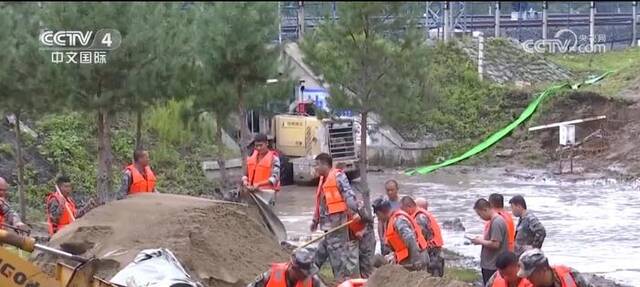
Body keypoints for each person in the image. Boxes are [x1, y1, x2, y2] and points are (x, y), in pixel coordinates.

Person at [311, 153, 361, 283]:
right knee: (322, 251)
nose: (315, 168)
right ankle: (310, 275)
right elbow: (321, 202)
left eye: (317, 165)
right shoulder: (323, 179)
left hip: (338, 224)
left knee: (337, 254)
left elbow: (348, 194)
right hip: (328, 225)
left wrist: (355, 212)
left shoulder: (338, 176)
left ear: (324, 164)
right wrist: (315, 220)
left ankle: (341, 281)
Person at [372, 197, 429, 271]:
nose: (378, 218)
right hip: (409, 259)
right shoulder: (392, 220)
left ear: (380, 213)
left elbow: (410, 239)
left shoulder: (398, 220)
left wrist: (416, 261)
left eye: (377, 215)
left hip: (417, 259)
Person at [401, 196, 444, 277]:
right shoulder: (423, 215)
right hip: (436, 254)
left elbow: (419, 240)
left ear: (410, 206)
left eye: (404, 210)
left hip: (432, 256)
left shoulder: (419, 218)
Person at [471, 198, 509, 285]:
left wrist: (480, 241)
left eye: (480, 214)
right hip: (490, 264)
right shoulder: (494, 221)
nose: (480, 217)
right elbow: (492, 239)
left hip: (493, 265)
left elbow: (496, 244)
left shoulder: (497, 222)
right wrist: (481, 239)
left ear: (485, 209)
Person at [248, 247, 326, 287]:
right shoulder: (271, 275)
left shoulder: (314, 281)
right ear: (293, 269)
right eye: (304, 274)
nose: (307, 276)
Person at [518, 249, 592, 287]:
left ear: (543, 270)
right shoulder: (528, 285)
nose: (527, 278)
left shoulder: (571, 275)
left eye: (529, 275)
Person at [243, 133, 280, 206]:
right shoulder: (251, 157)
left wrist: (259, 185)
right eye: (257, 146)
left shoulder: (274, 159)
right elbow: (245, 174)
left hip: (267, 194)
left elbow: (275, 178)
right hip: (252, 193)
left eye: (261, 145)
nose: (259, 148)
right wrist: (245, 181)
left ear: (266, 143)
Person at [378, 179, 402, 255]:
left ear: (397, 189)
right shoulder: (383, 203)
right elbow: (380, 222)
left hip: (400, 236)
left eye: (392, 190)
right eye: (388, 190)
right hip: (387, 238)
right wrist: (381, 239)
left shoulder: (402, 203)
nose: (390, 192)